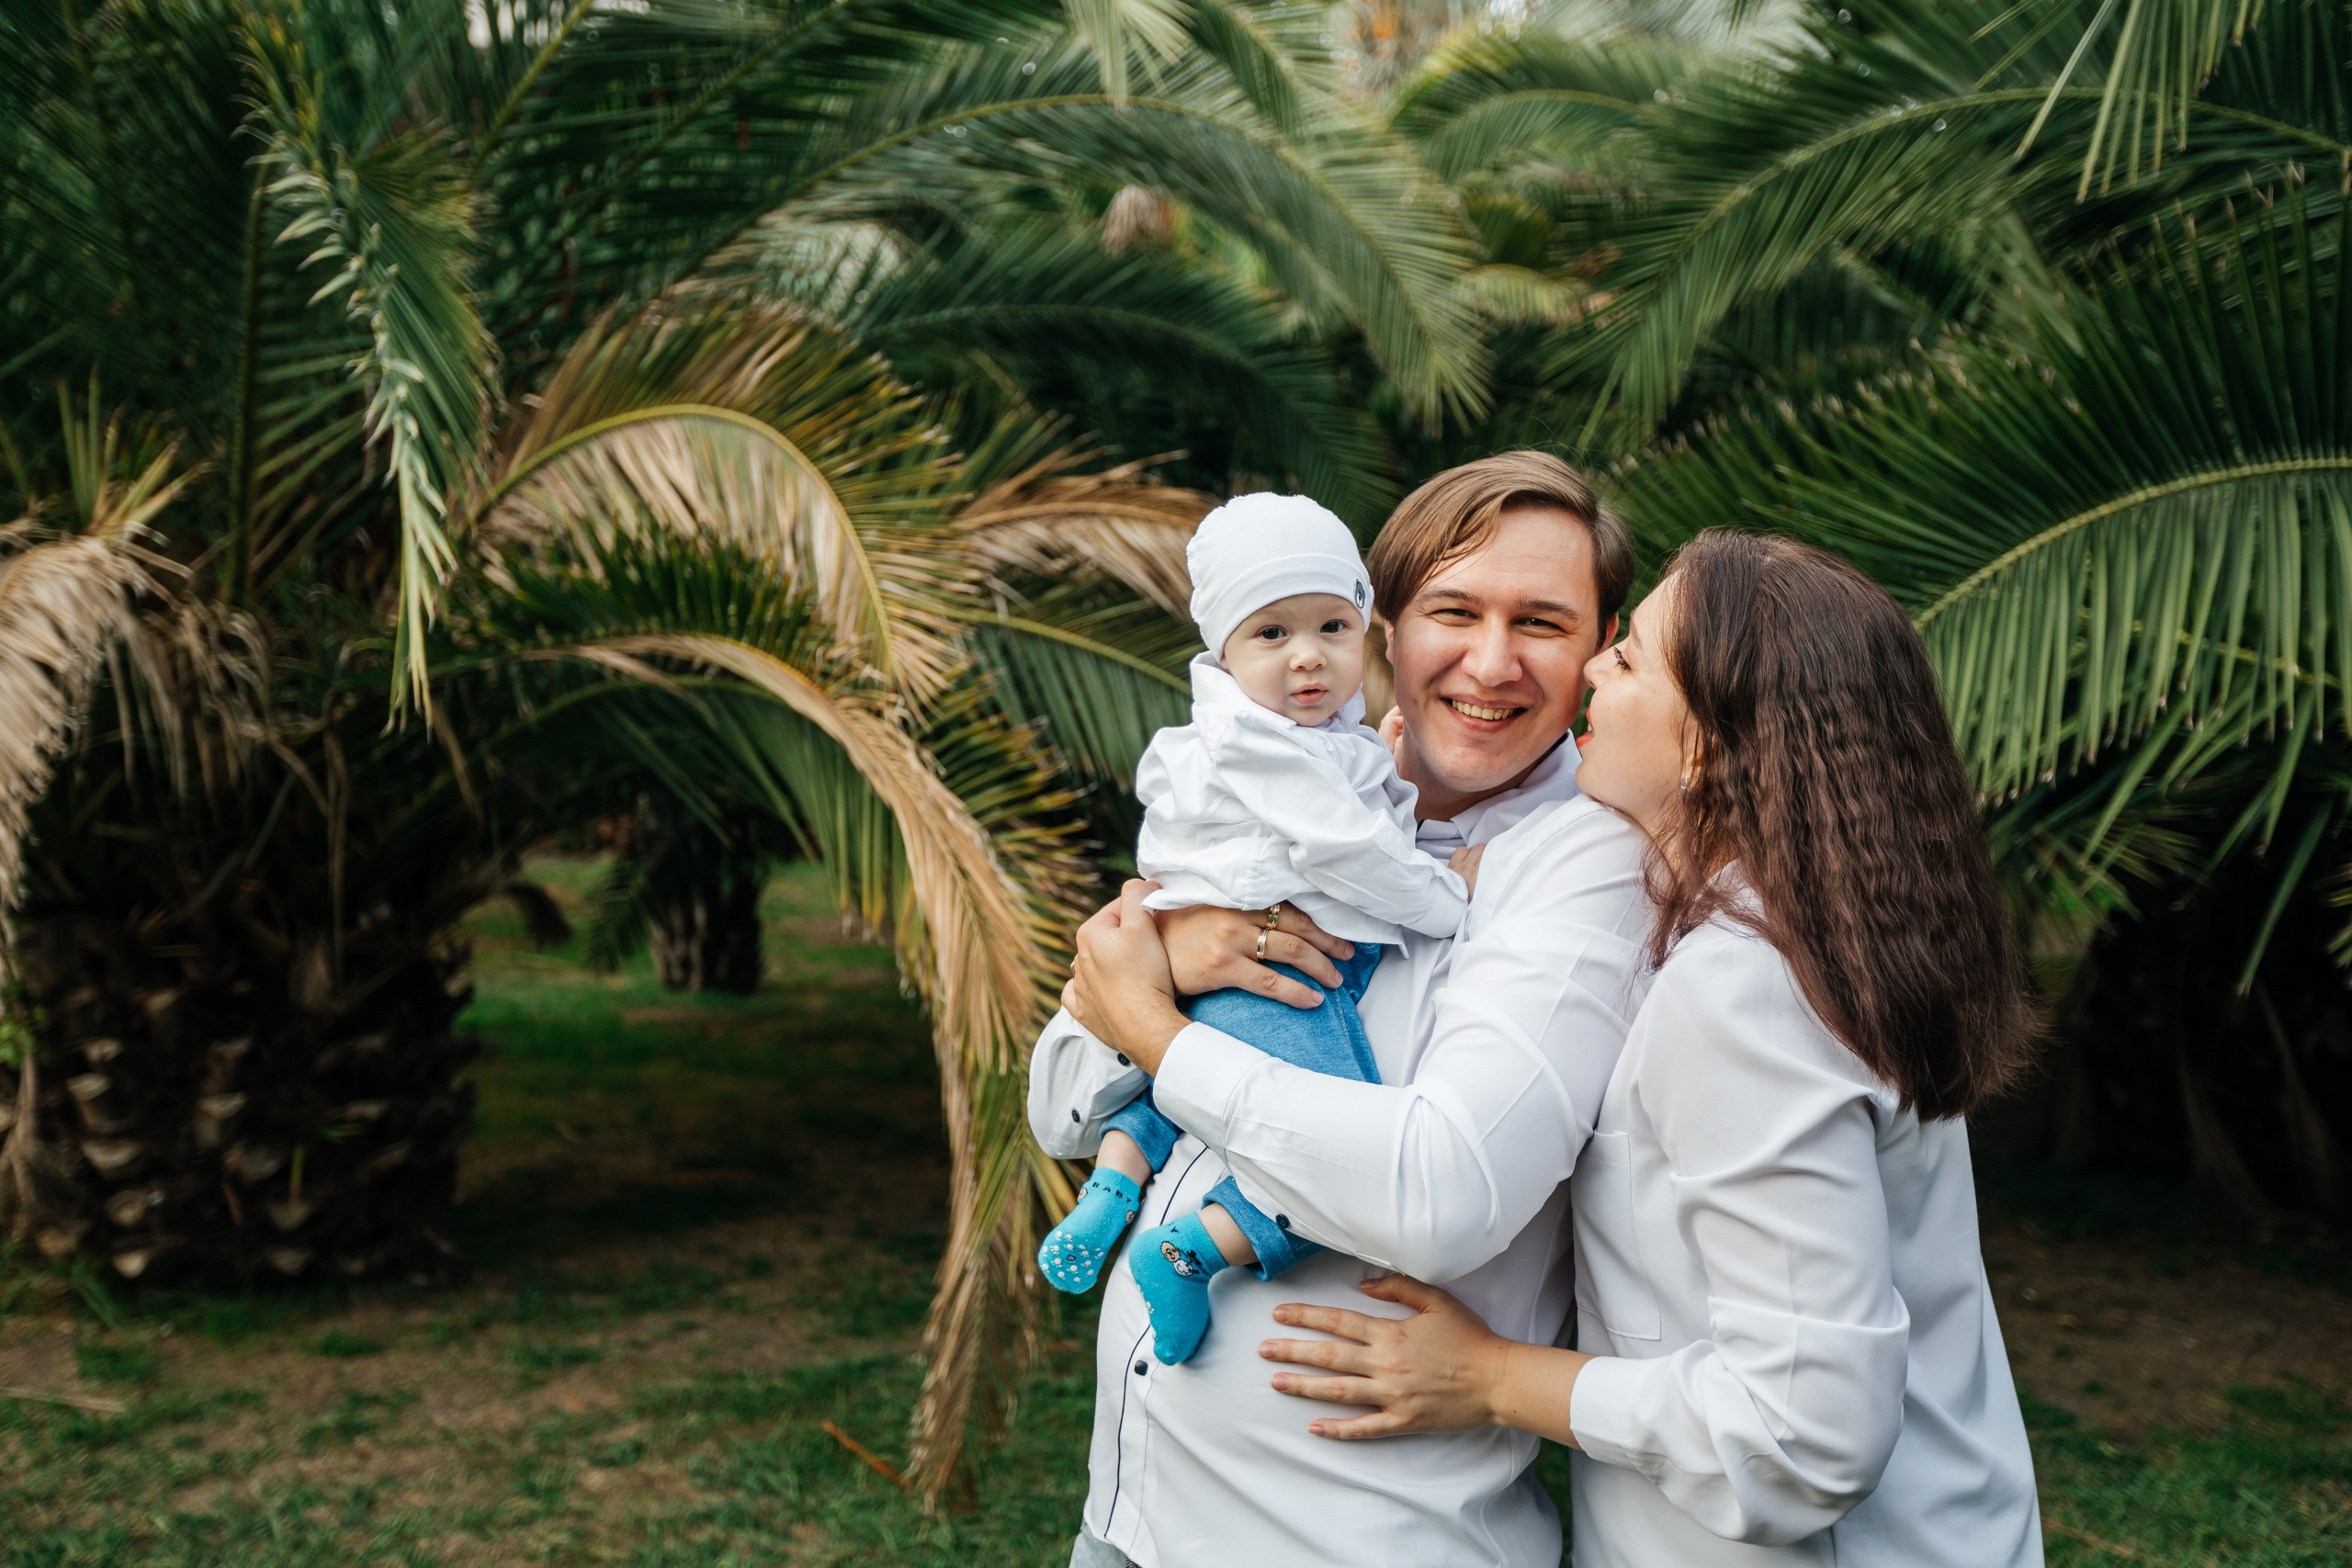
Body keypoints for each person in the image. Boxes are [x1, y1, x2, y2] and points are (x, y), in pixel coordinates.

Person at [1250, 532, 2046, 1566]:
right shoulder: (1797, 928)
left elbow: (1802, 1435)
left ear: (1706, 746)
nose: (1589, 669)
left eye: (1627, 661)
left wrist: (1492, 1377)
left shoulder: (1744, 988)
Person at [1038, 453, 1649, 1567]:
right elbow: (1061, 1108)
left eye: (1541, 623)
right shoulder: (1283, 780)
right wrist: (1168, 957)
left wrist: (1156, 1028)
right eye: (1453, 612)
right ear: (1387, 626)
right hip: (1129, 1514)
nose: (1491, 661)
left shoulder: (1588, 866)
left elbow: (1436, 1200)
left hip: (1344, 1537)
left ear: (1600, 649)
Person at [1031, 491, 1476, 1368]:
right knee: (1332, 1164)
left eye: (1332, 627)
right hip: (1282, 978)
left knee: (1180, 1084)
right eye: (1272, 632)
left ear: (1366, 630)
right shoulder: (1266, 744)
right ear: (1222, 650)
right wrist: (1449, 897)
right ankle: (1189, 1251)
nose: (1308, 655)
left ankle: (1115, 1185)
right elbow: (1351, 849)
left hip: (1224, 969)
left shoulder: (1298, 735)